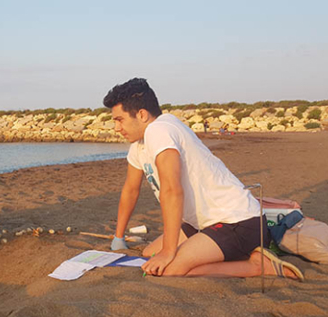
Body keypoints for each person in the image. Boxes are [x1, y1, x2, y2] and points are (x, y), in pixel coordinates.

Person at [103, 78, 303, 280]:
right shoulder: (139, 145)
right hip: (204, 222)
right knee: (149, 253)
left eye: (119, 120)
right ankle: (215, 251)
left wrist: (169, 252)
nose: (116, 128)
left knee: (170, 270)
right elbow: (130, 190)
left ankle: (258, 266)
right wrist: (118, 237)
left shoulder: (159, 130)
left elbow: (172, 190)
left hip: (237, 221)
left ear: (142, 114)